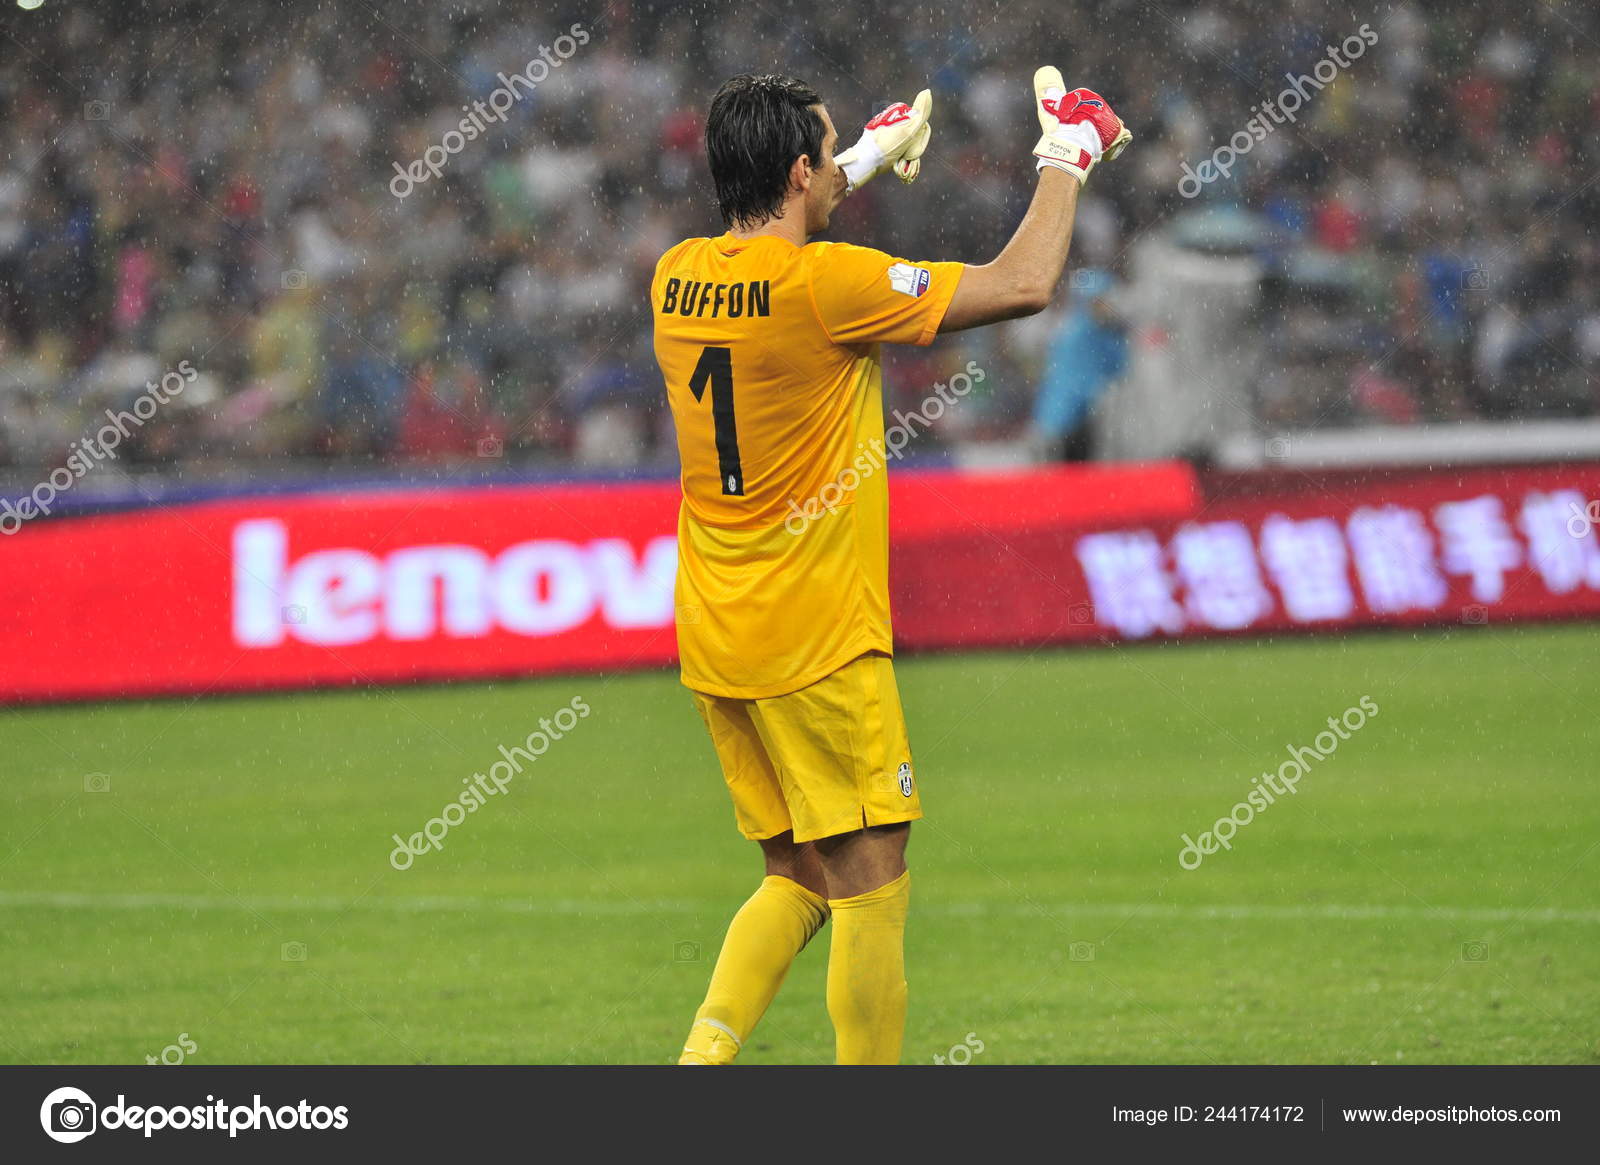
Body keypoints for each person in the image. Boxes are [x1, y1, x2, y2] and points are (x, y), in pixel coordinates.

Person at [653, 68, 1130, 1065]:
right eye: (825, 160)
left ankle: (696, 1066)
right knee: (872, 873)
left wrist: (860, 154)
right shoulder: (829, 286)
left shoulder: (676, 275)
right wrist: (1065, 155)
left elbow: (778, 229)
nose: (836, 174)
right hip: (817, 634)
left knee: (796, 871)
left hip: (715, 624)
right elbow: (1023, 284)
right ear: (795, 169)